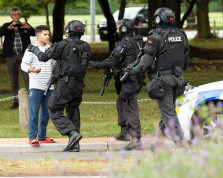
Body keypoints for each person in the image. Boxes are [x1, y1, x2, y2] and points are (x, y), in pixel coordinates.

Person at [28, 20, 91, 152]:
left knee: (53, 108)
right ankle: (74, 145)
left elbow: (44, 57)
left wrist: (34, 49)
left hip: (65, 84)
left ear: (68, 30)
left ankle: (72, 133)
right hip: (79, 85)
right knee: (73, 110)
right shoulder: (86, 46)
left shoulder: (63, 44)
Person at [128, 7, 189, 142]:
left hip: (163, 80)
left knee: (168, 113)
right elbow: (186, 58)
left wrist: (132, 70)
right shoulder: (181, 34)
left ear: (158, 19)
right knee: (168, 111)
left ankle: (181, 142)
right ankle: (157, 145)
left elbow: (145, 63)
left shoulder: (155, 37)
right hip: (179, 79)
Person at [89, 18, 145, 150]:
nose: (117, 30)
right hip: (137, 78)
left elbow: (111, 61)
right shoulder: (138, 40)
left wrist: (93, 64)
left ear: (124, 29)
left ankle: (136, 139)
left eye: (118, 27)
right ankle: (124, 132)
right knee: (120, 101)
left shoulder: (125, 42)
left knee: (130, 107)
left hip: (130, 80)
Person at [21, 25, 56, 147]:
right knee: (34, 112)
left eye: (48, 34)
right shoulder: (31, 49)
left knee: (46, 113)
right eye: (45, 34)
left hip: (49, 87)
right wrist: (31, 70)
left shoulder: (50, 49)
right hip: (36, 86)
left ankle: (42, 136)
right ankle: (32, 137)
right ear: (38, 35)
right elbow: (23, 65)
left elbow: (54, 65)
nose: (47, 36)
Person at [0, 7, 35, 109]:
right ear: (11, 16)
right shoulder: (7, 25)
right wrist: (8, 28)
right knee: (14, 80)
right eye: (14, 14)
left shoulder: (24, 25)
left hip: (25, 55)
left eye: (18, 14)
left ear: (20, 15)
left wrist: (29, 28)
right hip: (11, 55)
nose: (16, 16)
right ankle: (16, 101)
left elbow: (35, 33)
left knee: (27, 78)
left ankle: (30, 100)